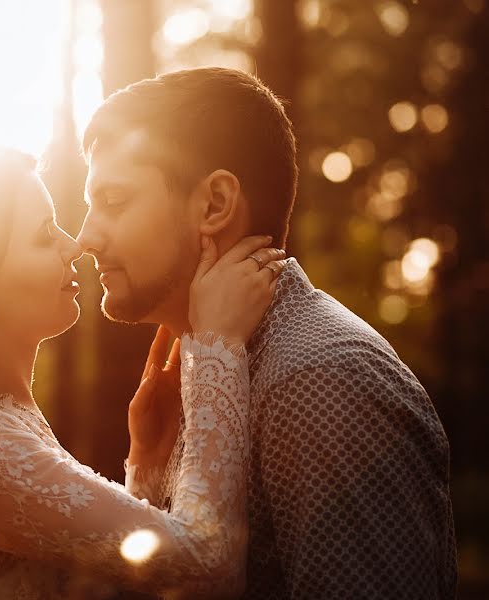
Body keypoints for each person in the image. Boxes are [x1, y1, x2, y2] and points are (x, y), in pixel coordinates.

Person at [0, 145, 287, 599]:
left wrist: (147, 460)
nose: (74, 245)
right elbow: (207, 568)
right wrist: (218, 347)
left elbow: (119, 573)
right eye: (44, 234)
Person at [77, 67, 457, 598]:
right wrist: (147, 468)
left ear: (214, 204)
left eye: (114, 202)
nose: (85, 237)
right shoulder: (212, 371)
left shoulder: (322, 380)